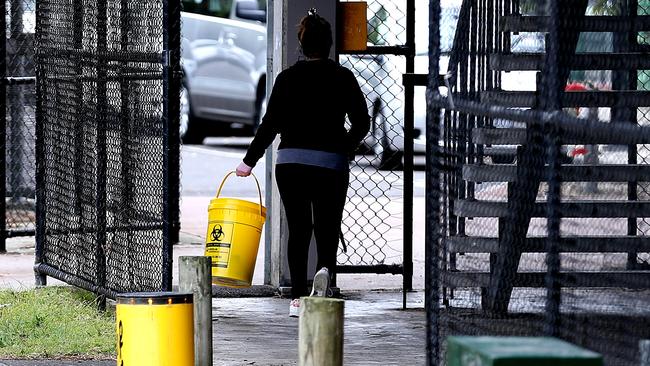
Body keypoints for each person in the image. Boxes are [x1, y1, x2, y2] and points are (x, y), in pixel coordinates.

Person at [235, 8, 370, 317]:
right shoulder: (343, 77)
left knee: (298, 229)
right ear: (330, 44)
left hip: (291, 162)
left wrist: (249, 161)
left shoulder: (287, 79)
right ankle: (325, 287)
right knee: (327, 227)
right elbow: (362, 122)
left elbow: (269, 125)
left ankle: (296, 297)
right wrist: (344, 147)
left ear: (302, 43)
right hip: (330, 164)